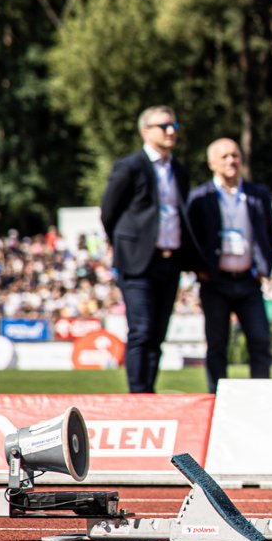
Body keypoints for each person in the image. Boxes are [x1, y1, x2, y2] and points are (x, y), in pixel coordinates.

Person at [99, 106, 191, 394]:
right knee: (141, 330)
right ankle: (137, 396)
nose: (171, 131)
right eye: (164, 126)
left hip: (170, 260)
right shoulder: (130, 166)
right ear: (145, 131)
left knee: (158, 334)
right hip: (138, 263)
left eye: (174, 125)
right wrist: (124, 245)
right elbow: (109, 210)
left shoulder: (179, 170)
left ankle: (148, 392)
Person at [183, 138, 272, 394]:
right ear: (211, 162)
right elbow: (189, 238)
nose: (231, 161)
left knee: (260, 339)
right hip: (215, 282)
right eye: (224, 156)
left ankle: (261, 395)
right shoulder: (200, 197)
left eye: (235, 155)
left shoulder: (257, 195)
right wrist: (199, 268)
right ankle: (216, 397)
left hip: (248, 281)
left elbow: (271, 234)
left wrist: (263, 267)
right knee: (217, 344)